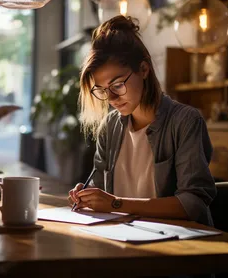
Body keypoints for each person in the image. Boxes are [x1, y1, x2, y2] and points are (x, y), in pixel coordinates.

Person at [68, 15, 217, 226]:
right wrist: (86, 195)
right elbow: (100, 186)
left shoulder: (185, 121)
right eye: (102, 90)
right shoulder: (110, 127)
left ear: (144, 70)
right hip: (123, 239)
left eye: (117, 85)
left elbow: (193, 204)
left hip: (179, 244)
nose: (110, 99)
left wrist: (116, 203)